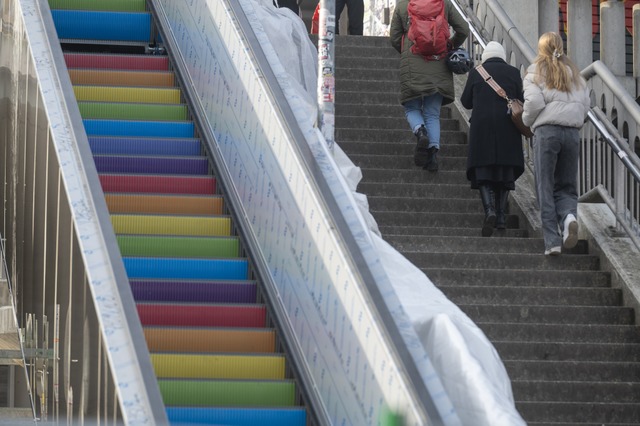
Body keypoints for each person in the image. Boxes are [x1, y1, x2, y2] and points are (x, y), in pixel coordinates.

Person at [522, 32, 591, 255]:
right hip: (572, 133)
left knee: (545, 186)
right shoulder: (576, 74)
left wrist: (526, 122)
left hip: (547, 132)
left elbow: (533, 103)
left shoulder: (535, 71)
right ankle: (569, 216)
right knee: (567, 186)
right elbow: (586, 105)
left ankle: (552, 241)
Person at [389, 0, 469, 172]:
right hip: (439, 63)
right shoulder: (444, 3)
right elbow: (463, 29)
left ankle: (420, 132)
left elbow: (394, 37)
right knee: (432, 113)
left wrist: (406, 52)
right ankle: (432, 157)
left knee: (412, 107)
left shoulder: (404, 5)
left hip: (412, 63)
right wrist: (450, 44)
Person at [460, 41, 525, 237]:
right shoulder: (514, 73)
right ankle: (502, 218)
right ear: (502, 55)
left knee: (484, 171)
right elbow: (521, 99)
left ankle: (489, 211)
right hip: (507, 128)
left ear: (486, 55)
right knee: (505, 172)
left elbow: (465, 102)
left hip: (483, 128)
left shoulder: (476, 72)